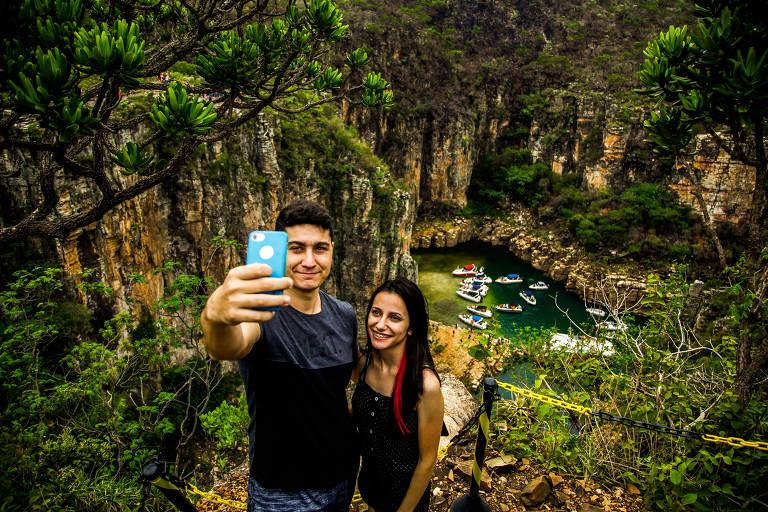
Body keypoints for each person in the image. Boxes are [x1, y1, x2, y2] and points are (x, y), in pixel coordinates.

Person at [201, 199, 359, 512]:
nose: (310, 261)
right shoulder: (259, 313)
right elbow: (225, 347)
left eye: (320, 248)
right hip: (281, 490)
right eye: (297, 248)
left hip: (342, 476)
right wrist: (215, 317)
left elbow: (347, 381)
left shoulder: (345, 314)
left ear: (332, 251)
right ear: (281, 251)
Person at [352, 277, 445, 512]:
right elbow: (367, 413)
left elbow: (427, 461)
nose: (380, 324)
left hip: (406, 499)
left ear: (411, 327)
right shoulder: (364, 362)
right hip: (371, 489)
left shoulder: (424, 385)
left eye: (394, 317)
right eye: (376, 313)